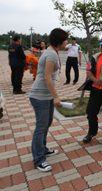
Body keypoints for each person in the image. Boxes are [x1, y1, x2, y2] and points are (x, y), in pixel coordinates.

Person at [29, 28, 68, 172]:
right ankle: (39, 159)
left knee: (46, 124)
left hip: (46, 95)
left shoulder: (52, 52)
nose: (67, 42)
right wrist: (56, 96)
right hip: (40, 95)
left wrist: (52, 96)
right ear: (60, 40)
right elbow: (46, 76)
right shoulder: (51, 54)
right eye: (65, 39)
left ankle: (43, 149)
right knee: (41, 126)